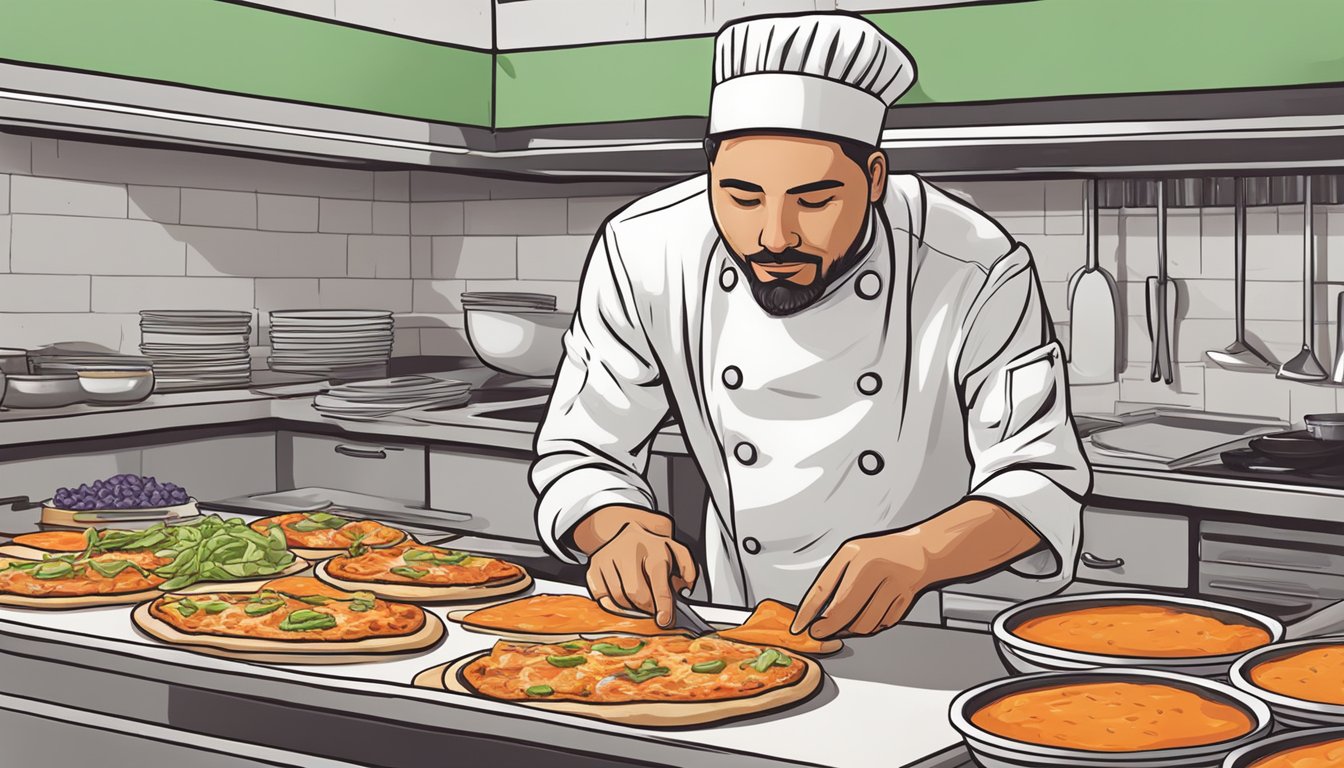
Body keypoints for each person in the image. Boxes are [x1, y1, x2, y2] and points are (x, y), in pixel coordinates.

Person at [531, 12, 1090, 641]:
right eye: (741, 198)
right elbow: (580, 448)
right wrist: (614, 525)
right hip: (732, 620)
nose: (774, 236)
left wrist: (921, 555)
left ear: (874, 179)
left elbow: (1037, 477)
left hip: (912, 625)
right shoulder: (646, 250)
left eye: (815, 200)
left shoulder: (973, 263)